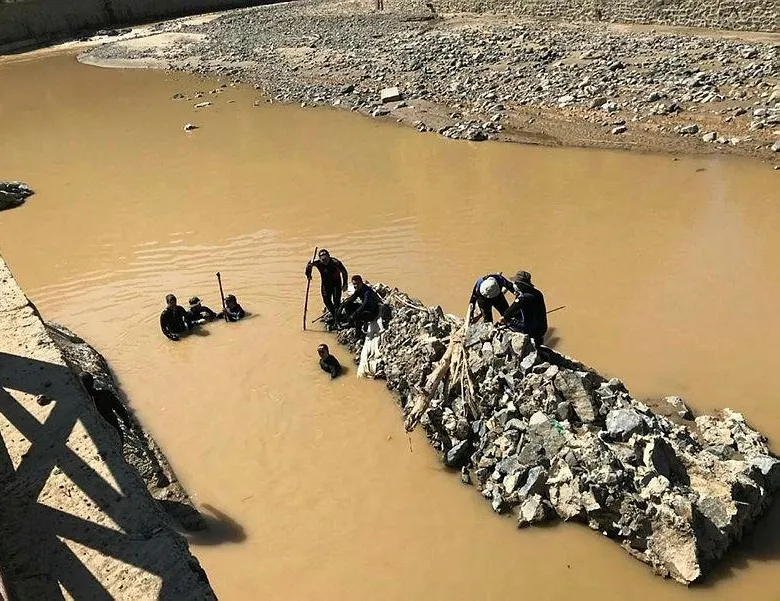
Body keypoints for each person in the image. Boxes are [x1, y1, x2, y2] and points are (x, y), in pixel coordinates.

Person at [79, 372, 133, 445]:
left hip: (98, 437)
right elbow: (120, 410)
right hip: (115, 433)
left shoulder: (82, 402)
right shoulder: (106, 394)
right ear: (93, 383)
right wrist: (127, 423)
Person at [498, 270, 548, 346]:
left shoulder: (523, 298)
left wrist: (504, 319)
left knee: (506, 320)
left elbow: (507, 313)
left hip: (530, 330)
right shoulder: (538, 293)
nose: (514, 284)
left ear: (521, 285)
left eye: (516, 283)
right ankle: (539, 345)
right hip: (542, 328)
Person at [305, 249, 349, 319]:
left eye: (326, 259)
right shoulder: (317, 262)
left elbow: (344, 272)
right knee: (326, 301)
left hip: (336, 283)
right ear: (319, 259)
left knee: (336, 301)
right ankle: (334, 314)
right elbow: (309, 265)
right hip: (325, 284)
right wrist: (308, 275)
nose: (324, 261)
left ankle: (337, 318)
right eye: (323, 260)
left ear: (329, 256)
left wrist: (345, 283)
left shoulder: (335, 262)